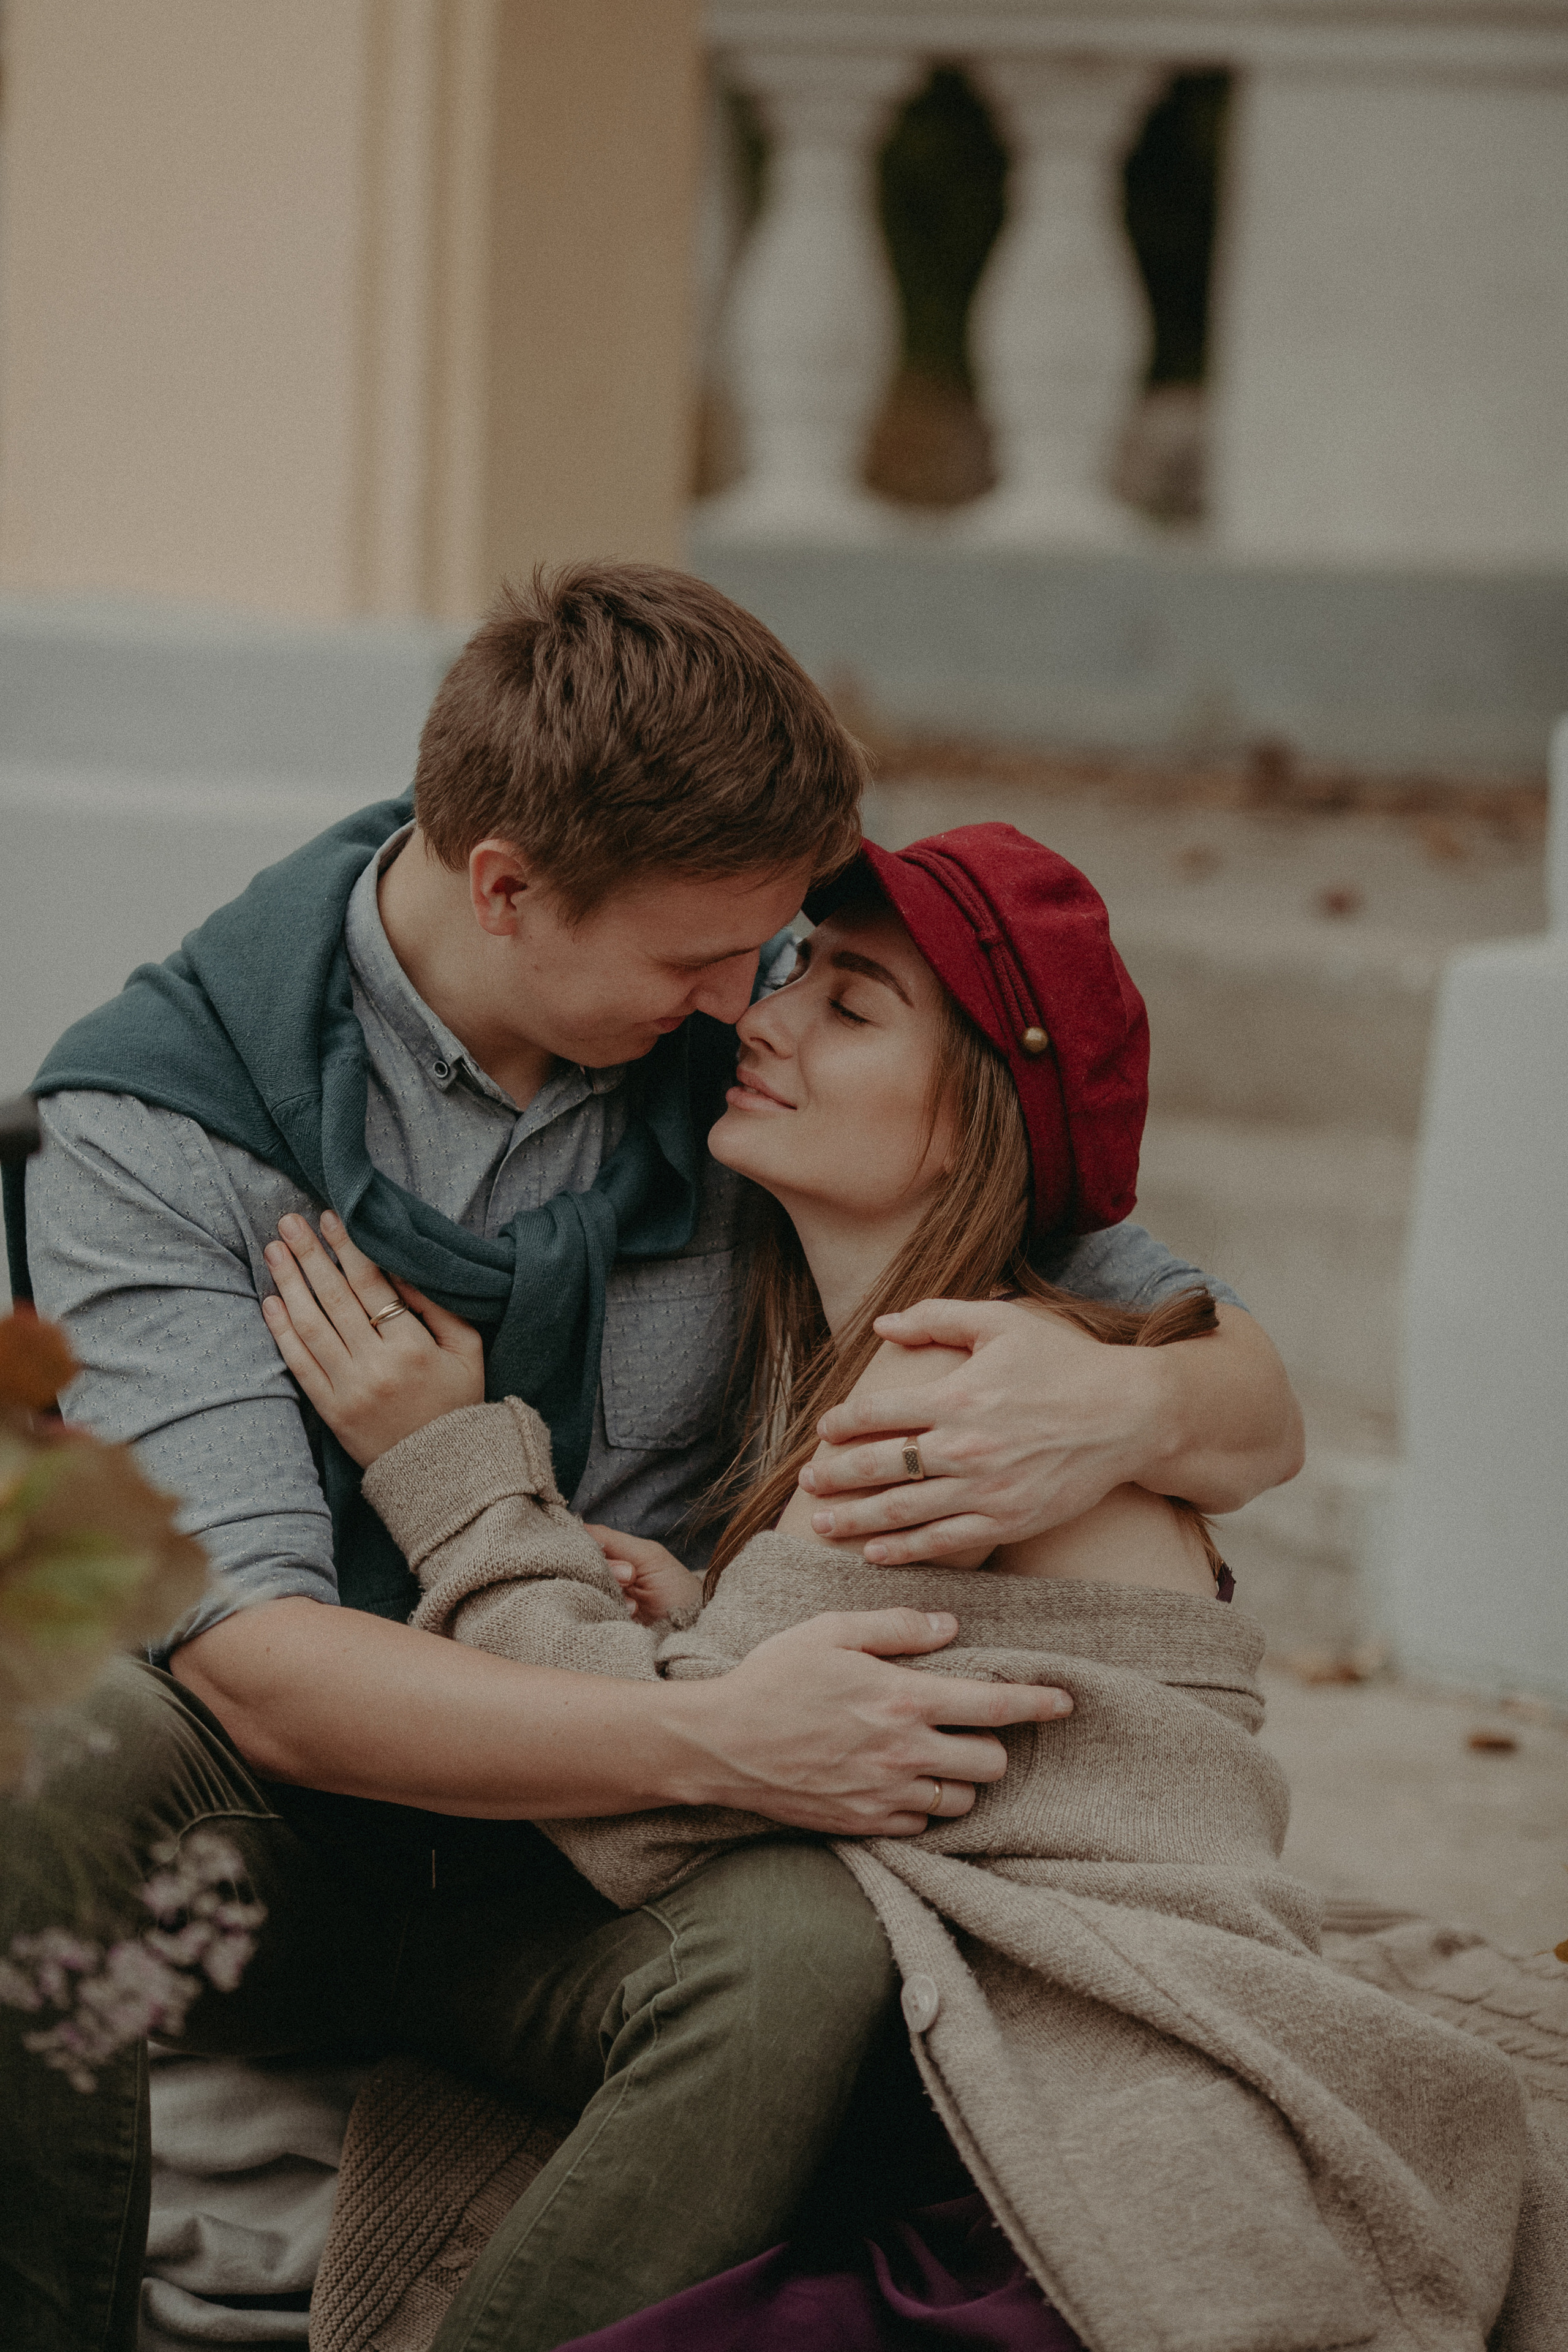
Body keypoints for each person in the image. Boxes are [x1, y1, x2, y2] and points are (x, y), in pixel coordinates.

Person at [1, 567, 1302, 2352]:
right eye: (703, 962)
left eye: (771, 960)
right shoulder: (159, 1123)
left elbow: (1226, 1370)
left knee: (806, 1956)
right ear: (508, 888)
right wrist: (716, 1734)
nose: (739, 1007)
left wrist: (1128, 1405)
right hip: (302, 1834)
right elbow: (256, 1669)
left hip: (601, 1867)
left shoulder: (745, 1023)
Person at [266, 826, 1551, 2352]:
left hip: (1073, 2141)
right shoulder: (974, 1351)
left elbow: (646, 1800)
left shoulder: (949, 1391)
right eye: (795, 971)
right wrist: (697, 1618)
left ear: (970, 1124)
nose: (761, 1014)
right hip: (1057, 2062)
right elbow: (805, 1713)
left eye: (849, 1007)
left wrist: (454, 1475)